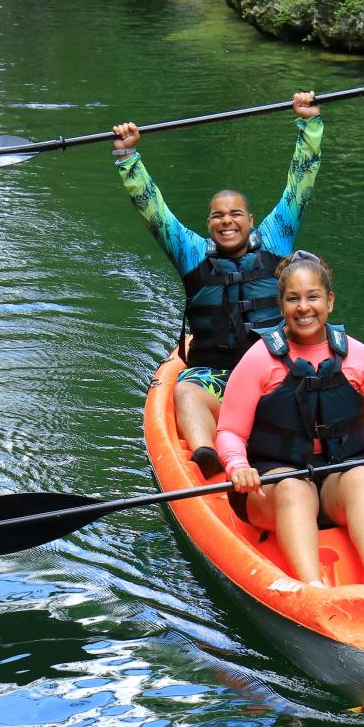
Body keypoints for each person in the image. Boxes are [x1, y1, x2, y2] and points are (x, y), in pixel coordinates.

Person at [111, 93, 322, 478]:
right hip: (216, 377)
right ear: (208, 224)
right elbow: (154, 212)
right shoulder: (191, 253)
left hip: (271, 373)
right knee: (185, 390)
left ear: (251, 220)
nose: (228, 221)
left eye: (236, 214)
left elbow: (300, 184)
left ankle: (303, 453)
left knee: (309, 387)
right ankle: (210, 455)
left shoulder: (276, 241)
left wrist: (308, 125)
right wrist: (128, 158)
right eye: (218, 216)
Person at [215, 251, 364, 588]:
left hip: (341, 481)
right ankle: (313, 587)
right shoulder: (258, 360)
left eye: (313, 297)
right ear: (281, 305)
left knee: (363, 478)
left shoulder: (359, 355)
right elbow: (230, 431)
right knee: (294, 487)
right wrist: (237, 466)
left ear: (330, 301)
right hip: (276, 486)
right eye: (293, 299)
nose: (304, 307)